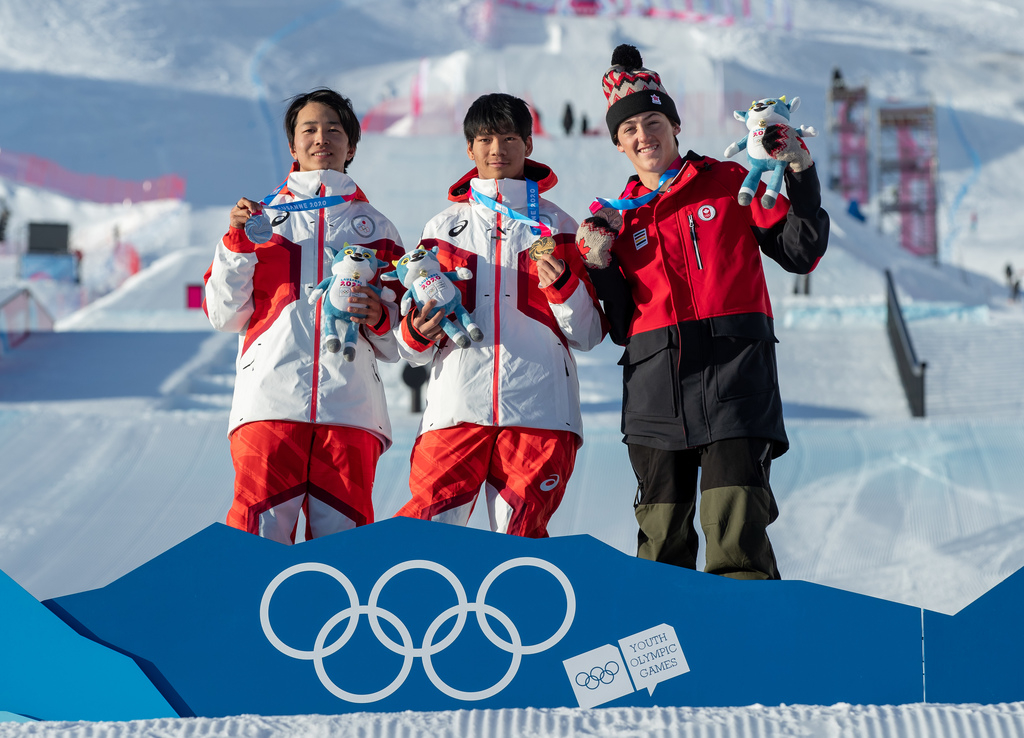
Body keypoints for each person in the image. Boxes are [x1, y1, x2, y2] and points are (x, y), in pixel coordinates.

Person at [575, 45, 830, 580]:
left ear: (675, 125)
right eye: (630, 129)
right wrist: (599, 265)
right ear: (618, 143)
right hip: (654, 390)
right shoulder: (613, 220)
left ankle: (749, 655)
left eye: (653, 121)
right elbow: (620, 324)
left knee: (735, 533)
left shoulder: (730, 184)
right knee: (661, 544)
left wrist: (800, 170)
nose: (644, 135)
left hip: (735, 378)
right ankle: (666, 660)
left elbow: (800, 250)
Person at [393, 92, 605, 537]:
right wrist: (417, 330)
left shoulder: (560, 226)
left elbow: (587, 334)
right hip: (455, 409)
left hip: (541, 411)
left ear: (529, 144)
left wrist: (563, 286)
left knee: (520, 545)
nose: (498, 149)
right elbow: (409, 346)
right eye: (486, 139)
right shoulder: (441, 228)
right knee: (426, 535)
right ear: (469, 149)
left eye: (510, 137)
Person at [204, 87, 405, 544]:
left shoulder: (377, 227)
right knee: (255, 546)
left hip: (350, 411)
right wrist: (236, 243)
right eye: (308, 130)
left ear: (351, 146)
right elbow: (223, 313)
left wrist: (379, 315)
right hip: (270, 405)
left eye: (334, 129)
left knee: (345, 557)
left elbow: (398, 343)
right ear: (292, 146)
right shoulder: (259, 219)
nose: (321, 138)